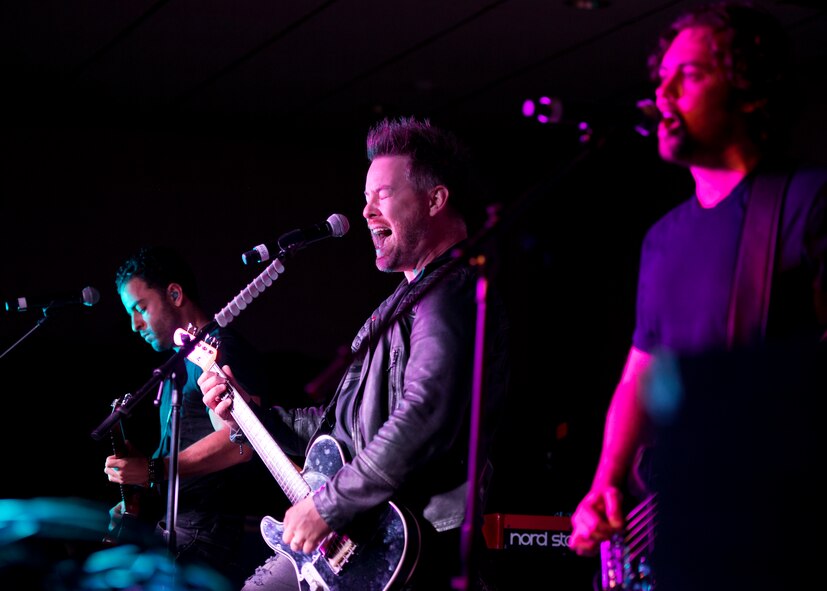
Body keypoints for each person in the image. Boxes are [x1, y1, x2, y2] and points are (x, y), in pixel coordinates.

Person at [197, 116, 511, 591]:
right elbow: (338, 428)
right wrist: (247, 413)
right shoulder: (399, 305)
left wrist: (327, 506)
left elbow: (424, 415)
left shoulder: (451, 291)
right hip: (364, 537)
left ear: (435, 199)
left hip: (411, 545)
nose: (365, 212)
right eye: (365, 198)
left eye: (382, 195)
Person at [568, 0, 827, 571]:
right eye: (661, 80)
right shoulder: (662, 239)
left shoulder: (809, 202)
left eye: (688, 75)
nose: (663, 95)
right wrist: (605, 484)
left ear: (749, 90)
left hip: (773, 526)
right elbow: (640, 373)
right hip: (668, 521)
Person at [102, 245, 276, 587]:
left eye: (140, 308)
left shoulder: (219, 348)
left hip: (204, 537)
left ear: (175, 294)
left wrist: (153, 469)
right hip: (175, 527)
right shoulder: (176, 363)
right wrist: (139, 490)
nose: (135, 325)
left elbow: (242, 444)